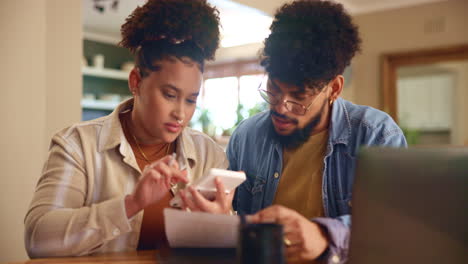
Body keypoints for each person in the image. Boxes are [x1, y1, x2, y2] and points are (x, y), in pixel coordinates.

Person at [24, 0, 233, 258]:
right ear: (136, 82)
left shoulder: (209, 156)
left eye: (191, 100)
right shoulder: (78, 144)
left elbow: (226, 253)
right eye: (169, 94)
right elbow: (38, 240)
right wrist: (130, 204)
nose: (181, 113)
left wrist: (224, 223)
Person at [226, 0, 407, 263]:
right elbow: (233, 224)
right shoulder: (246, 136)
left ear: (333, 89)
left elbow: (395, 228)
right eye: (273, 90)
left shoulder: (376, 135)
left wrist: (324, 236)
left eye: (298, 97)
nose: (281, 108)